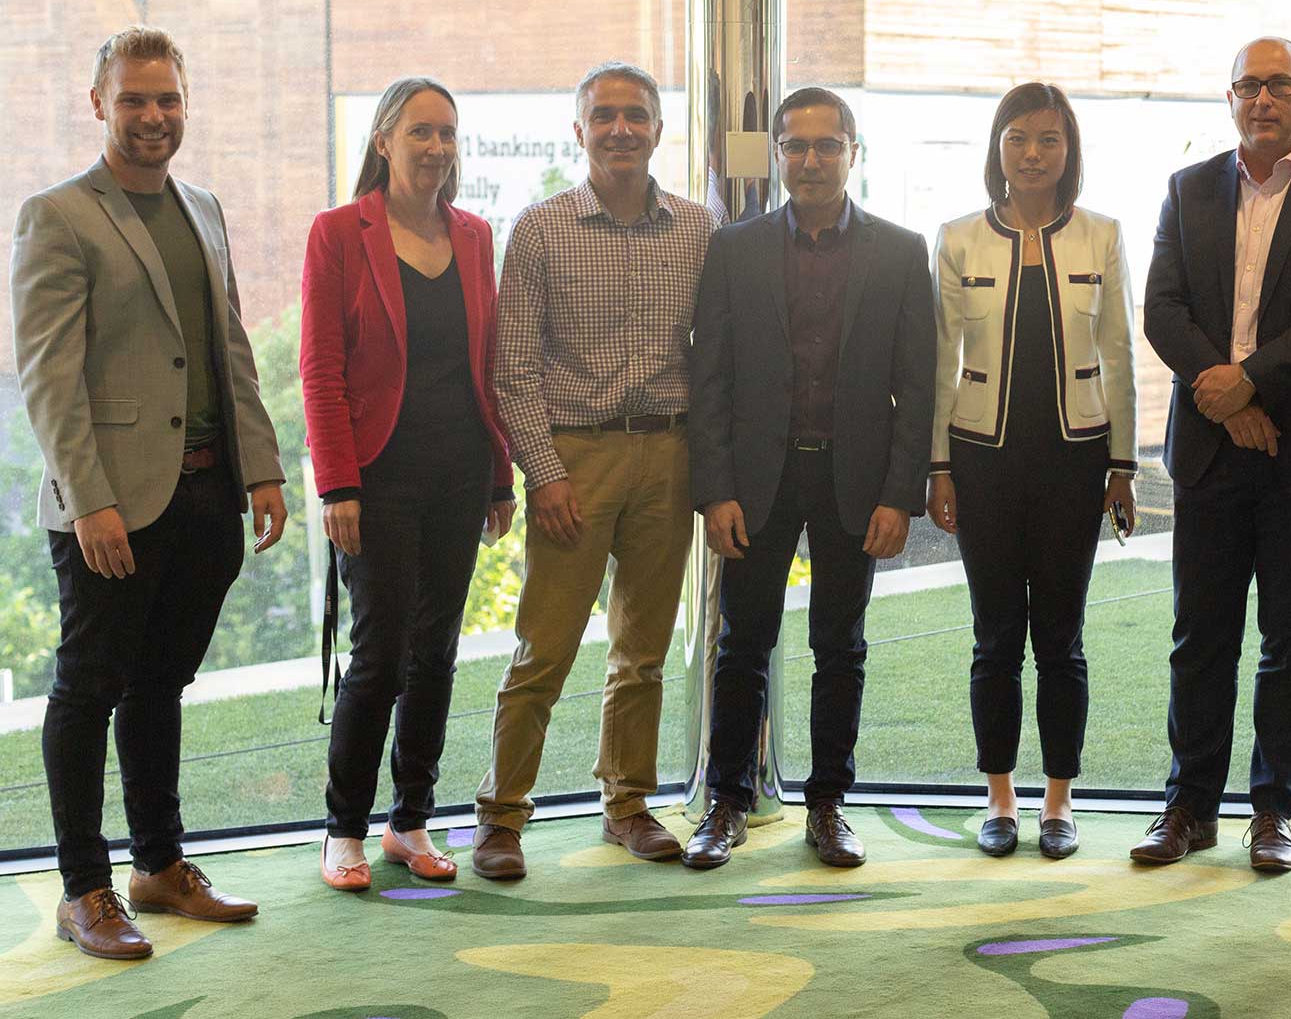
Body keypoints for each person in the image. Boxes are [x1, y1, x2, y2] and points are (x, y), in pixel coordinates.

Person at [10, 26, 287, 959]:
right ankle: (85, 888)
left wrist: (262, 468)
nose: (153, 116)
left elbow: (229, 347)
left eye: (167, 98)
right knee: (90, 688)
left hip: (208, 495)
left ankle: (159, 867)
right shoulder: (58, 215)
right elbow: (47, 377)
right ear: (99, 105)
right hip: (111, 505)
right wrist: (89, 502)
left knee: (164, 684)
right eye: (133, 99)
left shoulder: (203, 207)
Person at [1135, 37, 1291, 871]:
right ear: (1230, 97)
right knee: (1198, 634)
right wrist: (1223, 390)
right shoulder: (1188, 187)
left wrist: (1249, 384)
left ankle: (1274, 808)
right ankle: (1189, 807)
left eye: (1282, 84)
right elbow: (1162, 307)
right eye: (1249, 85)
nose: (1264, 99)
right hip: (1211, 443)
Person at [472, 62, 718, 879]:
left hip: (669, 455)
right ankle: (501, 817)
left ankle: (628, 805)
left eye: (636, 116)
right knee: (545, 649)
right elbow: (514, 370)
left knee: (642, 651)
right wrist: (544, 474)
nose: (621, 129)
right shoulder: (540, 229)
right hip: (574, 461)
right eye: (604, 116)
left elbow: (711, 357)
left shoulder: (696, 229)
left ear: (657, 129)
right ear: (578, 131)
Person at [684, 87, 935, 869]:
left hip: (853, 483)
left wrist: (901, 496)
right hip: (757, 481)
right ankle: (726, 805)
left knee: (841, 645)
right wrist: (716, 488)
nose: (812, 160)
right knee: (742, 645)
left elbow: (917, 384)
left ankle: (829, 806)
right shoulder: (734, 248)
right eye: (796, 146)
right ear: (779, 157)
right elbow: (711, 380)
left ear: (854, 153)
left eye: (829, 145)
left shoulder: (900, 251)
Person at [300, 77, 517, 891]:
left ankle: (411, 821)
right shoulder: (338, 232)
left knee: (437, 653)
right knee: (380, 655)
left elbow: (485, 368)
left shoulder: (473, 235)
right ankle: (344, 827)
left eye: (447, 135)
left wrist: (500, 477)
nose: (435, 148)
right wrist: (336, 486)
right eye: (420, 132)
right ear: (384, 139)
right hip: (375, 477)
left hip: (459, 471)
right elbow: (320, 369)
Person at [925, 83, 1137, 859]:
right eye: (1018, 138)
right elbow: (938, 361)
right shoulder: (955, 238)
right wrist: (938, 466)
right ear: (997, 148)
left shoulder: (1103, 235)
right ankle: (1001, 799)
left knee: (1062, 638)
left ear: (1069, 151)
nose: (1033, 154)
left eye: (1049, 140)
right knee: (993, 637)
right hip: (981, 458)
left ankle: (1059, 801)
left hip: (1076, 461)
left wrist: (1123, 466)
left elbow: (1117, 356)